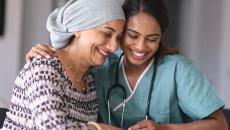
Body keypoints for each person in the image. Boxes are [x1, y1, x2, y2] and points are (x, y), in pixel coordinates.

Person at [25, 0, 228, 130]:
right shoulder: (102, 64)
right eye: (131, 35)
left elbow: (220, 125)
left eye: (152, 39)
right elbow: (69, 64)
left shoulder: (178, 70)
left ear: (161, 39)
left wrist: (164, 129)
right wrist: (48, 54)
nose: (141, 47)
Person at [2, 0, 126, 129]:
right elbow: (52, 127)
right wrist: (100, 128)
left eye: (118, 38)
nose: (114, 47)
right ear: (78, 28)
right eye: (107, 33)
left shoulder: (89, 82)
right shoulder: (44, 67)